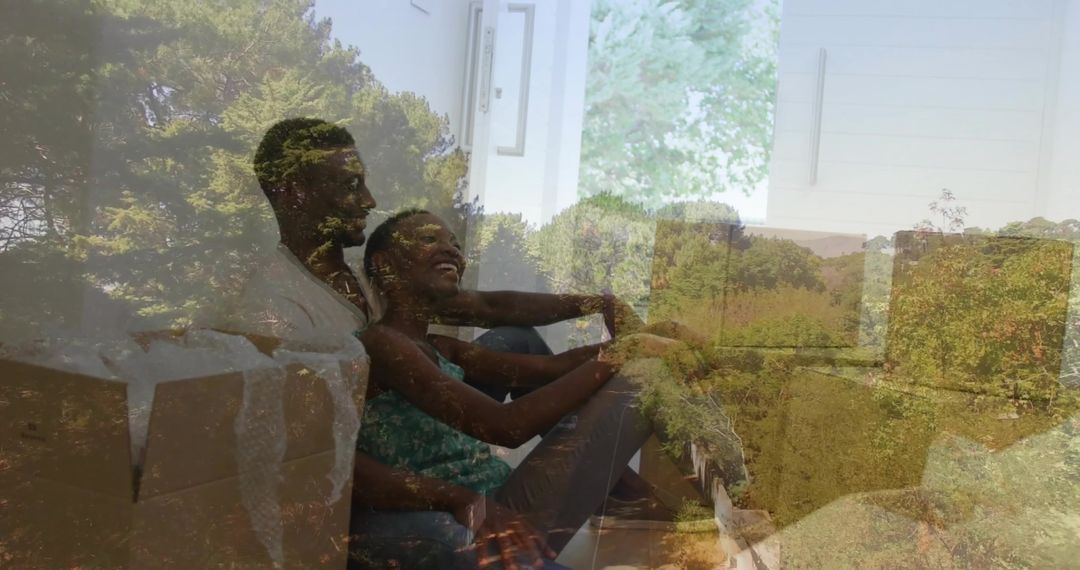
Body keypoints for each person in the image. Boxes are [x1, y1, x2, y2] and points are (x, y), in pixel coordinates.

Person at [355, 208, 695, 569]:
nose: (451, 250)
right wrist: (624, 352)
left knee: (639, 365)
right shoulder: (381, 343)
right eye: (429, 239)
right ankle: (676, 500)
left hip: (502, 500)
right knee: (640, 373)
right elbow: (506, 427)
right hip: (487, 517)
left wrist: (646, 336)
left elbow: (553, 368)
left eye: (454, 244)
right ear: (384, 264)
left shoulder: (442, 347)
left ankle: (671, 500)